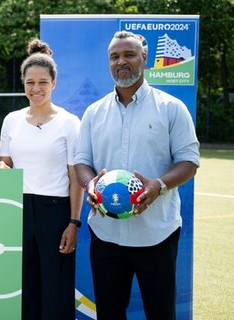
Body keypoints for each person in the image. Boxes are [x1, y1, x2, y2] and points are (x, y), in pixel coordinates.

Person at [74, 31, 200, 319]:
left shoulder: (171, 108)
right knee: (109, 313)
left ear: (144, 57)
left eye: (129, 54)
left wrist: (158, 185)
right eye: (115, 56)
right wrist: (89, 183)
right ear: (109, 62)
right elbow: (81, 162)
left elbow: (189, 161)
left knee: (160, 313)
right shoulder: (94, 113)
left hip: (157, 234)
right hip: (106, 235)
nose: (122, 62)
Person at [0, 38, 83, 319]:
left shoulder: (69, 122)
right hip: (17, 213)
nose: (36, 89)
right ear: (23, 83)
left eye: (42, 82)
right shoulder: (12, 120)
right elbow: (4, 164)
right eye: (30, 82)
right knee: (23, 288)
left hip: (56, 214)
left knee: (56, 290)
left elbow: (74, 177)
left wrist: (73, 222)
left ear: (54, 83)